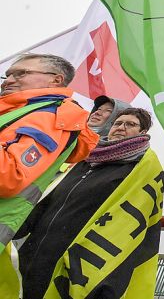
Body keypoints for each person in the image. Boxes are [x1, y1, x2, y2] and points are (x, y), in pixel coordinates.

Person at [16, 107, 164, 298]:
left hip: (76, 260)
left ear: (143, 133)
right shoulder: (85, 158)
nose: (121, 127)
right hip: (35, 251)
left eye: (130, 124)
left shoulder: (137, 170)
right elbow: (48, 199)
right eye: (117, 123)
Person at [0, 54, 97, 247]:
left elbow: (10, 177)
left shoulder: (52, 117)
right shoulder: (22, 112)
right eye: (7, 75)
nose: (9, 81)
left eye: (21, 74)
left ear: (56, 79)